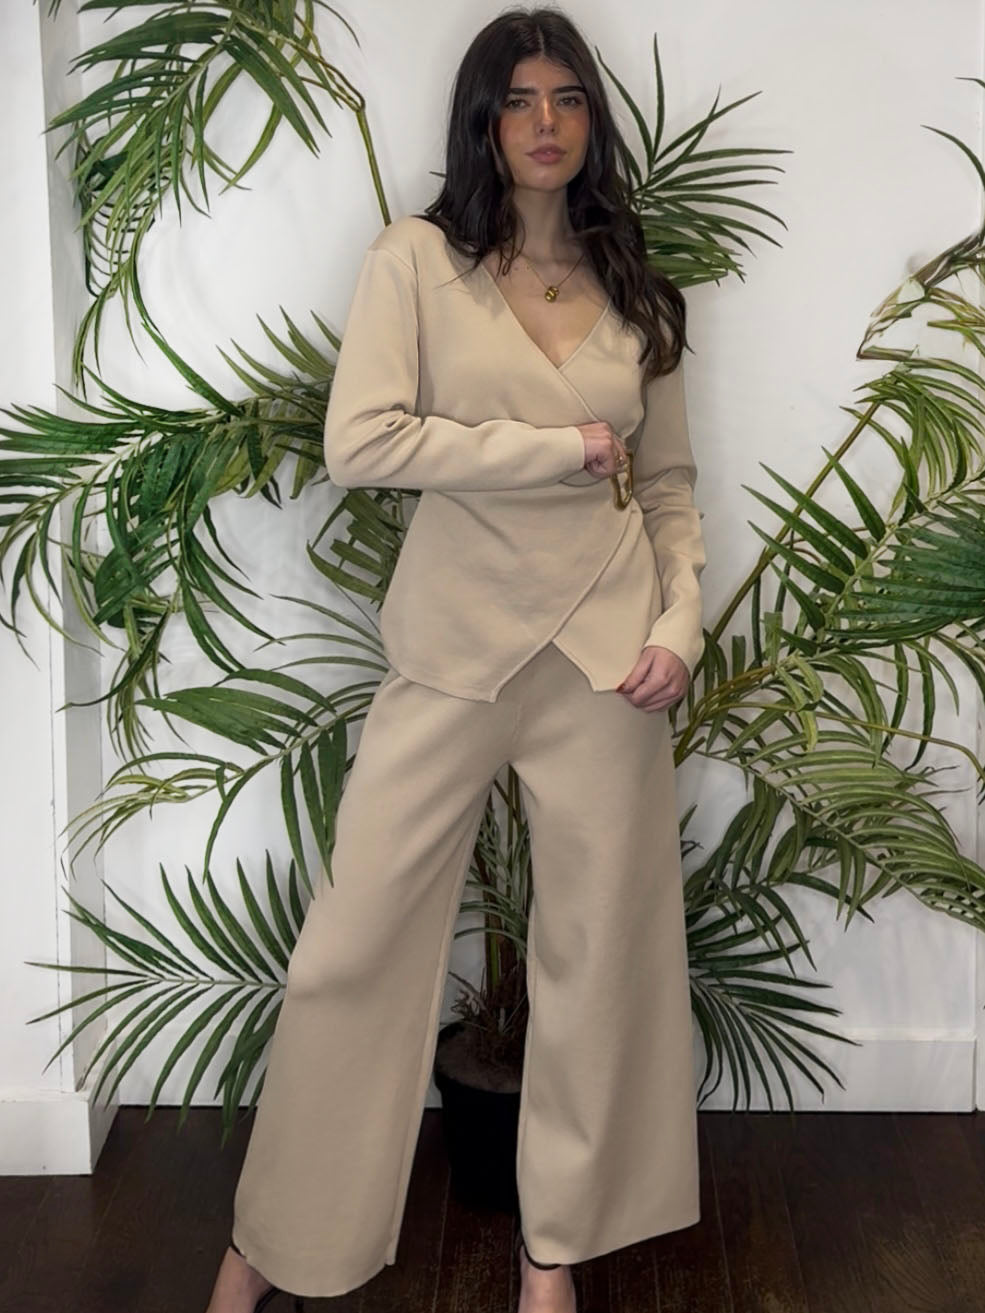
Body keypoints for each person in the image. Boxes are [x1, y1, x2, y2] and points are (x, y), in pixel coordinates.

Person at [204, 7, 706, 1312]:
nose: (545, 123)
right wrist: (551, 451)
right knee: (350, 950)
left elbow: (669, 487)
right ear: (482, 120)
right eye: (518, 99)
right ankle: (264, 1247)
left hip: (608, 660)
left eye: (567, 99)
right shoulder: (415, 260)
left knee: (597, 967)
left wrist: (679, 626)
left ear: (591, 122)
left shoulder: (637, 284)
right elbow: (361, 441)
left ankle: (554, 1261)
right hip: (451, 651)